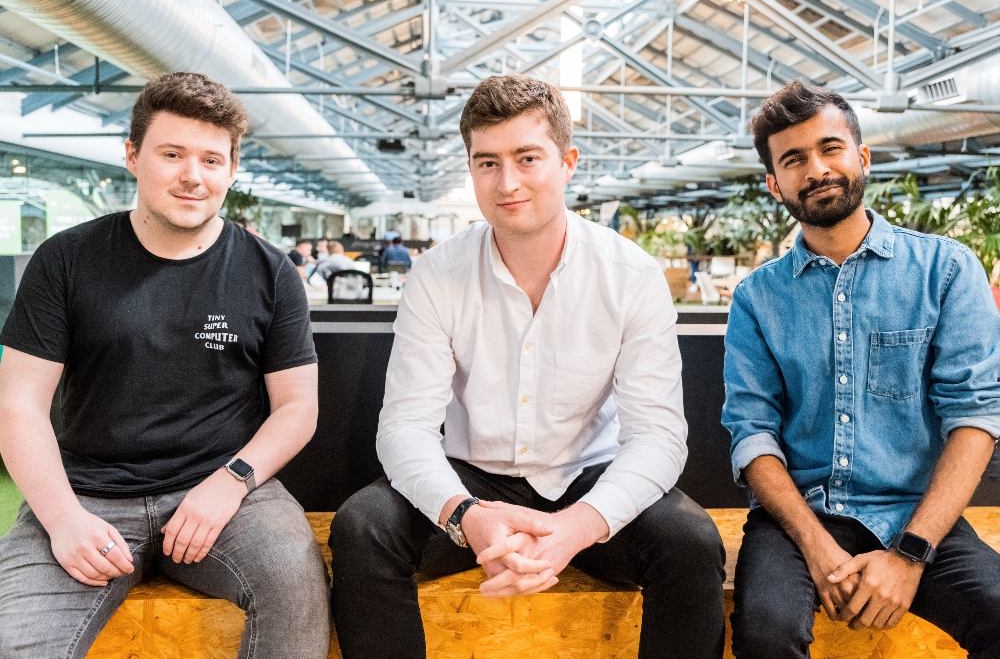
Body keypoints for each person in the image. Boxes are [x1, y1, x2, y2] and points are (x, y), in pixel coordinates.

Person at [330, 74, 725, 659]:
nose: (507, 182)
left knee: (692, 543)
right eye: (487, 163)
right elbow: (405, 429)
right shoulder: (438, 275)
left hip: (588, 478)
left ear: (567, 161)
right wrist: (466, 518)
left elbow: (660, 439)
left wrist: (574, 528)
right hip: (471, 480)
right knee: (362, 527)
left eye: (527, 158)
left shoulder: (630, 275)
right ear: (470, 169)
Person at [0, 72, 329, 658]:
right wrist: (62, 517)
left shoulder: (271, 271)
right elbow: (19, 403)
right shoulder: (66, 261)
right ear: (133, 156)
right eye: (172, 154)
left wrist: (232, 481)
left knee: (295, 580)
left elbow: (298, 407)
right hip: (86, 493)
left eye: (210, 159)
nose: (191, 176)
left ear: (231, 171)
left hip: (225, 489)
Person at [722, 80, 1000, 658]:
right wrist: (817, 548)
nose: (817, 169)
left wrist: (910, 554)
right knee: (766, 631)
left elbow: (974, 417)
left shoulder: (945, 272)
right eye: (794, 159)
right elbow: (752, 434)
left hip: (918, 516)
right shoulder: (756, 298)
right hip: (798, 519)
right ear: (775, 184)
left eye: (830, 148)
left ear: (862, 157)